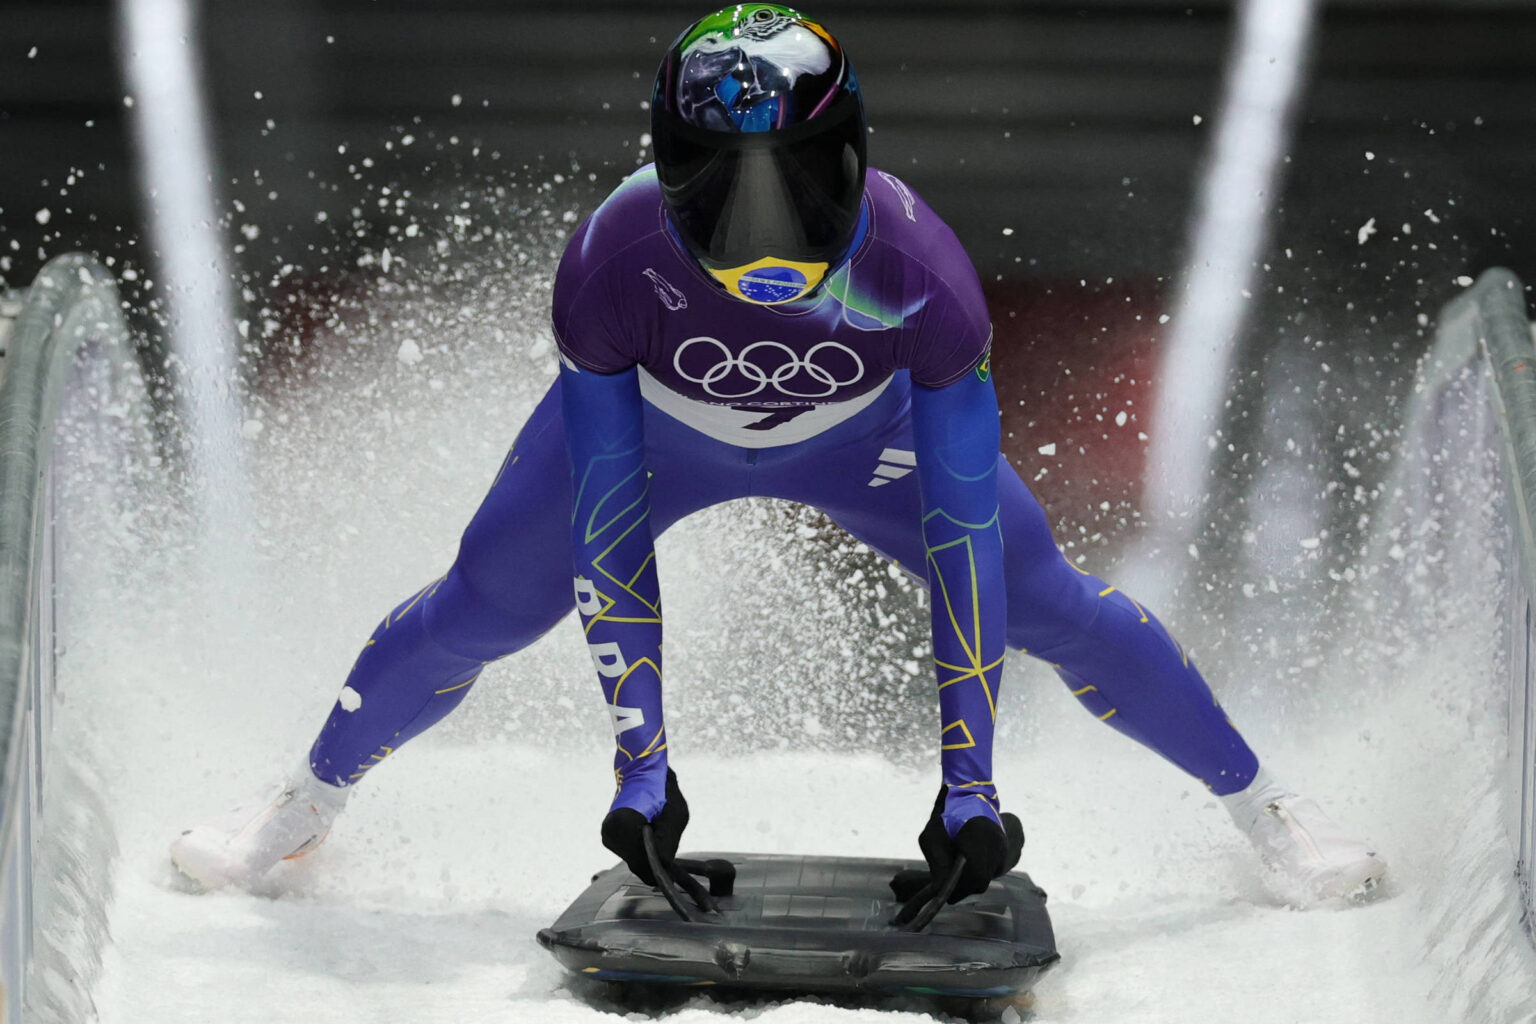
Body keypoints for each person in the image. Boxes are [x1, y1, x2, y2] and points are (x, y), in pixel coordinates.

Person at [171, 4, 1386, 906]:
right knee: (484, 603)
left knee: (1048, 600)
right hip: (653, 437)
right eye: (724, 190)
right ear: (666, 169)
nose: (764, 231)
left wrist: (973, 788)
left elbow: (967, 551)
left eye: (796, 186)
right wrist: (641, 768)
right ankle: (305, 802)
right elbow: (607, 529)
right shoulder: (608, 258)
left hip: (868, 445)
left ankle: (1265, 804)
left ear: (853, 158)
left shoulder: (924, 275)